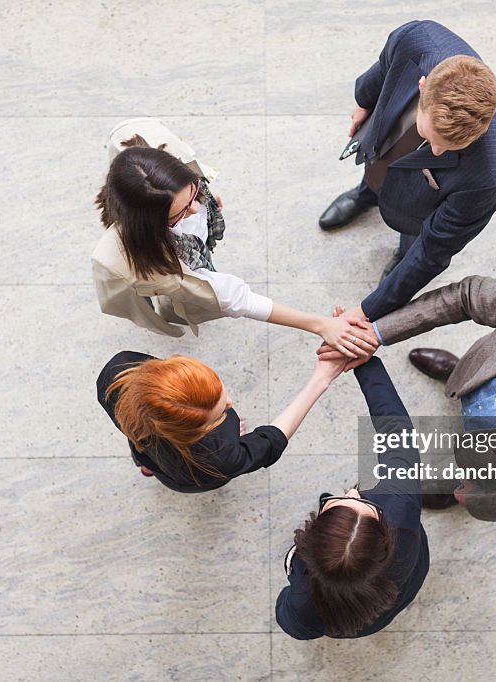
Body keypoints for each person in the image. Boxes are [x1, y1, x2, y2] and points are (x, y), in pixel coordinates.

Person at [321, 275, 496, 522]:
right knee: (477, 372)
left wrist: (471, 499)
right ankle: (457, 374)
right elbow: (465, 295)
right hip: (483, 375)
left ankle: (447, 488)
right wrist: (375, 333)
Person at [92, 118, 376, 359]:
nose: (195, 209)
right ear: (151, 222)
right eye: (179, 214)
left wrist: (201, 194)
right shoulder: (157, 263)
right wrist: (321, 324)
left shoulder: (159, 177)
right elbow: (239, 300)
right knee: (181, 299)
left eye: (193, 192)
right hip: (174, 269)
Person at [318, 21, 496, 325]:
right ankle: (365, 195)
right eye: (434, 138)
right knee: (380, 162)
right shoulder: (417, 38)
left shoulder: (488, 176)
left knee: (414, 233)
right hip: (391, 136)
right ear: (422, 86)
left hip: (420, 203)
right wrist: (363, 101)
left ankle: (400, 254)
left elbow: (433, 250)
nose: (436, 153)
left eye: (450, 146)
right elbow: (386, 64)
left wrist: (370, 310)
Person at [276, 355, 429, 639]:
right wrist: (364, 361)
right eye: (360, 501)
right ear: (385, 537)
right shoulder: (400, 504)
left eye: (345, 499)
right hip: (398, 592)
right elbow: (397, 434)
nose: (352, 491)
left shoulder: (302, 605)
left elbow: (288, 618)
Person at [97, 350, 347, 493]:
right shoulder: (220, 457)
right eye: (218, 416)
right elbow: (269, 443)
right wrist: (321, 380)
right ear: (193, 433)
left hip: (146, 447)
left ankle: (147, 467)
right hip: (190, 478)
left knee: (147, 458)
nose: (231, 402)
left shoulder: (117, 372)